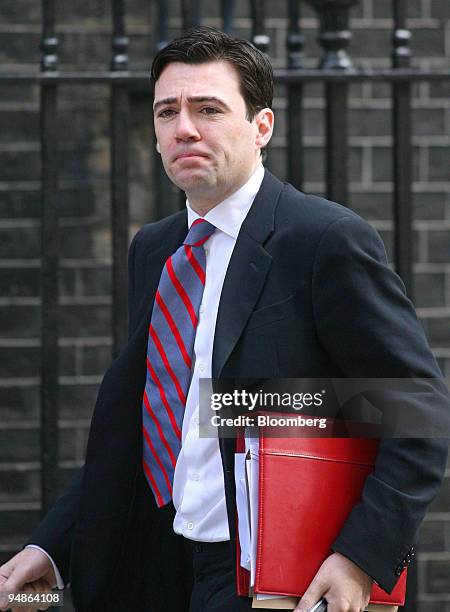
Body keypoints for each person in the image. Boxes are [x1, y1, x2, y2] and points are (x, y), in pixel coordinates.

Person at [0, 26, 448, 612]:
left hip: (273, 576)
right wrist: (53, 545)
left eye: (208, 109)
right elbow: (151, 422)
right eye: (167, 112)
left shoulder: (322, 241)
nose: (184, 127)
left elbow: (416, 410)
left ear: (262, 127)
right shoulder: (156, 249)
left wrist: (359, 557)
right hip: (158, 563)